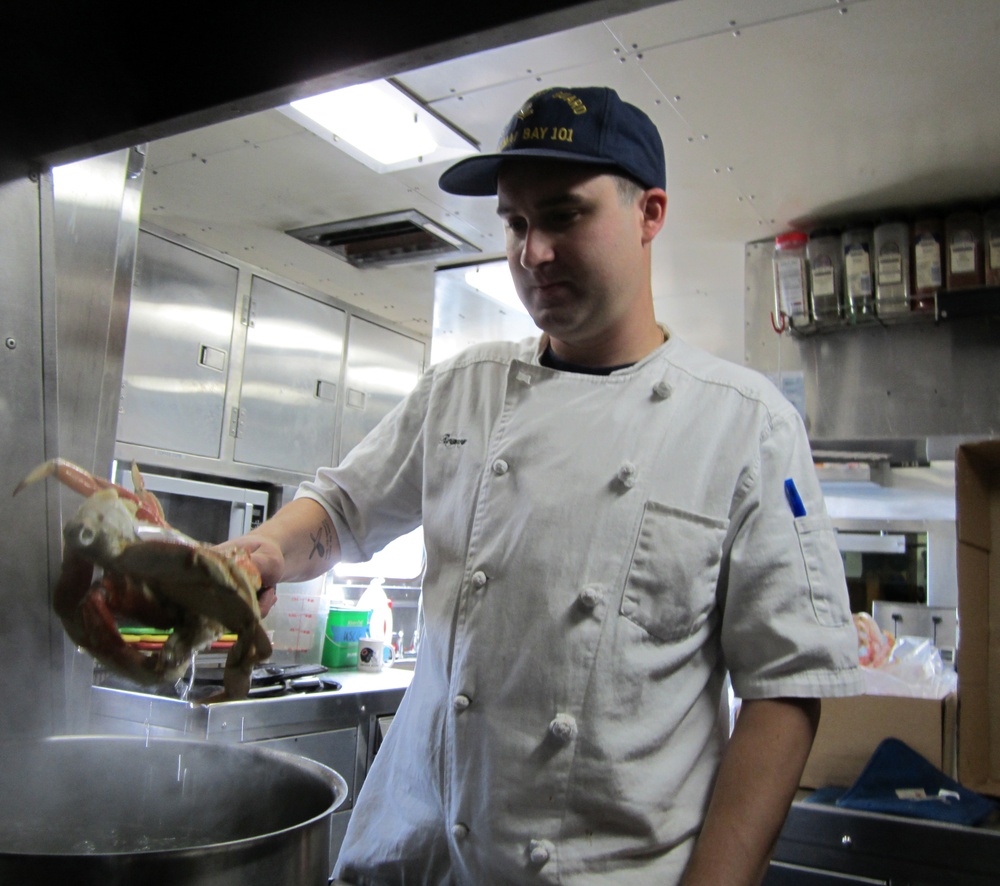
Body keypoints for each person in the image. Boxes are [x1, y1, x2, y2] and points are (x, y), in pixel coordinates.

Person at [231, 86, 863, 885]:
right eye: (516, 222)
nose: (533, 252)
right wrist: (260, 554)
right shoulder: (462, 390)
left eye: (564, 216)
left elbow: (785, 687)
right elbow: (344, 507)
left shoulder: (745, 425)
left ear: (650, 213)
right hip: (408, 861)